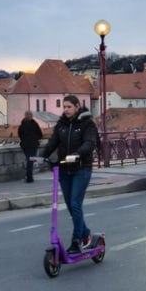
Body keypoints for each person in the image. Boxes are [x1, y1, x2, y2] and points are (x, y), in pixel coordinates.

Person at [40, 94, 99, 252]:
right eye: (64, 107)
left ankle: (77, 240)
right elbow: (53, 142)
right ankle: (86, 234)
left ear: (77, 107)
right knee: (70, 206)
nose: (66, 110)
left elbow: (90, 142)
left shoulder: (87, 124)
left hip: (81, 168)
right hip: (64, 169)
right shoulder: (62, 124)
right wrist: (42, 156)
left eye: (69, 107)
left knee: (75, 203)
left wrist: (77, 154)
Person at [17, 110, 42, 183]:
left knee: (29, 160)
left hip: (25, 145)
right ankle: (29, 177)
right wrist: (35, 138)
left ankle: (28, 176)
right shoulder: (34, 125)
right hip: (33, 144)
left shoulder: (22, 126)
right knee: (30, 160)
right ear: (31, 116)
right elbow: (40, 134)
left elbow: (20, 135)